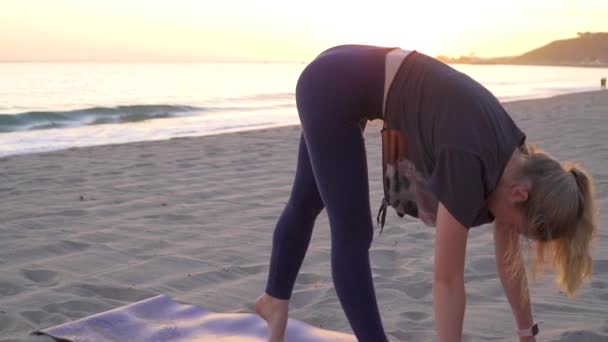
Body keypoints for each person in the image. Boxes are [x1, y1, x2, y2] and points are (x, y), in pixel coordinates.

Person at [254, 45, 598, 342]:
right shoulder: (468, 161)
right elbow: (447, 281)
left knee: (307, 200)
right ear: (521, 195)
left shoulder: (517, 161)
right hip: (329, 86)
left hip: (345, 70)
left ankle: (273, 300)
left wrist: (527, 333)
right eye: (519, 228)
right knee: (353, 232)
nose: (506, 230)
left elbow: (509, 265)